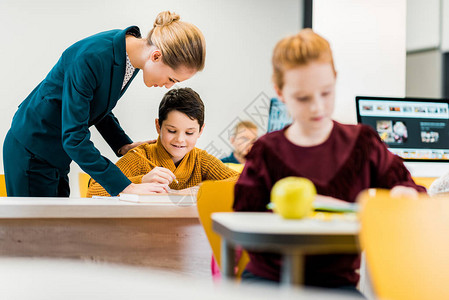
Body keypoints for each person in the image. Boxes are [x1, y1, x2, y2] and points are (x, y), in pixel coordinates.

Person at [233, 29, 426, 289]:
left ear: (335, 79)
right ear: (280, 91)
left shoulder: (362, 144)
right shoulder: (267, 151)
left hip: (336, 284)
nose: (317, 107)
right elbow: (243, 221)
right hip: (271, 281)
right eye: (303, 98)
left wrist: (406, 194)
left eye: (326, 93)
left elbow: (410, 189)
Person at [3, 11, 206, 197]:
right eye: (171, 79)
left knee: (58, 230)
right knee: (36, 234)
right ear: (156, 56)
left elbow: (96, 104)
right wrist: (126, 186)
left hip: (56, 154)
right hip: (32, 148)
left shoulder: (131, 58)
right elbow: (74, 138)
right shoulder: (92, 58)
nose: (167, 86)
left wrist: (122, 145)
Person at [87, 88, 239, 197]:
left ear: (200, 131)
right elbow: (93, 189)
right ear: (158, 126)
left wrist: (201, 188)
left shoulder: (200, 160)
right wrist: (140, 181)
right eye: (172, 131)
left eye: (189, 133)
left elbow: (239, 181)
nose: (180, 139)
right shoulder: (140, 156)